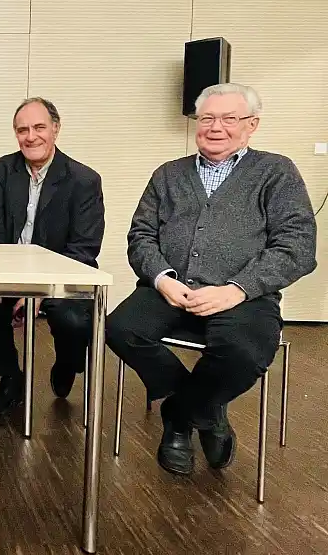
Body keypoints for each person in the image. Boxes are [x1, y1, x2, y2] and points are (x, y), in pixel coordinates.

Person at [107, 83, 317, 476]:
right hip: (172, 289)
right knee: (121, 329)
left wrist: (237, 289)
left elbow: (298, 246)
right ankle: (207, 408)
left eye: (229, 118)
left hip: (244, 296)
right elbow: (141, 235)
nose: (215, 127)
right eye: (207, 118)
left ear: (251, 125)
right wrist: (162, 278)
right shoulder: (168, 175)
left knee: (242, 352)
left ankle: (180, 415)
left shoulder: (276, 172)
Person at [0, 97, 105, 422]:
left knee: (72, 320)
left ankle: (67, 363)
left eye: (39, 127)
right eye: (22, 130)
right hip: (10, 273)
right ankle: (10, 378)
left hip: (63, 275)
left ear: (56, 129)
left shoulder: (84, 180)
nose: (30, 136)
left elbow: (84, 250)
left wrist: (40, 293)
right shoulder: (3, 169)